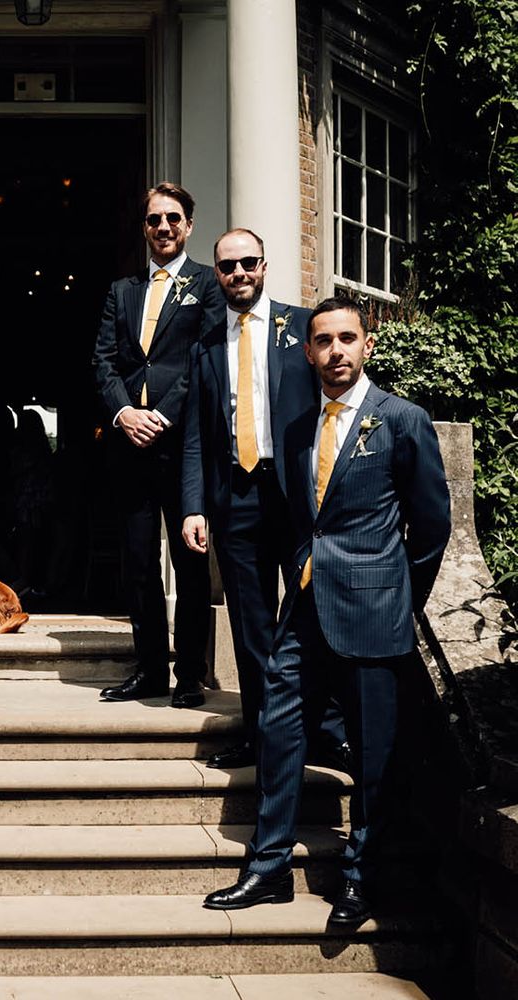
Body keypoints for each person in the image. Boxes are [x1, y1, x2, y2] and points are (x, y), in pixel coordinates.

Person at [203, 297, 451, 924]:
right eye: (323, 341)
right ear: (308, 351)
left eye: (347, 338)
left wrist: (397, 599)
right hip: (305, 607)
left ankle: (361, 879)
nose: (335, 351)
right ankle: (268, 868)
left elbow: (432, 528)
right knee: (278, 729)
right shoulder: (296, 428)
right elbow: (298, 519)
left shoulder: (401, 419)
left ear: (366, 344)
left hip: (373, 612)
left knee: (371, 754)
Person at [181, 229, 347, 770]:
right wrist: (193, 505)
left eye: (248, 263)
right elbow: (195, 436)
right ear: (218, 274)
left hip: (298, 495)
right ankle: (259, 736)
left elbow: (339, 402)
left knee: (315, 616)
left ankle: (325, 729)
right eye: (228, 267)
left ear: (264, 265)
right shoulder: (205, 344)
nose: (239, 274)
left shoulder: (303, 327)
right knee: (252, 627)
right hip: (236, 497)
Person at [92, 182, 223, 708]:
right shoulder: (121, 291)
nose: (163, 227)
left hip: (182, 445)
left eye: (173, 219)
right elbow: (102, 361)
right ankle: (149, 670)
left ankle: (189, 673)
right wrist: (125, 412)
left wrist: (162, 415)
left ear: (188, 226)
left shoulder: (208, 286)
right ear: (143, 228)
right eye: (153, 220)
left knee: (190, 564)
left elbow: (204, 358)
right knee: (139, 563)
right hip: (129, 446)